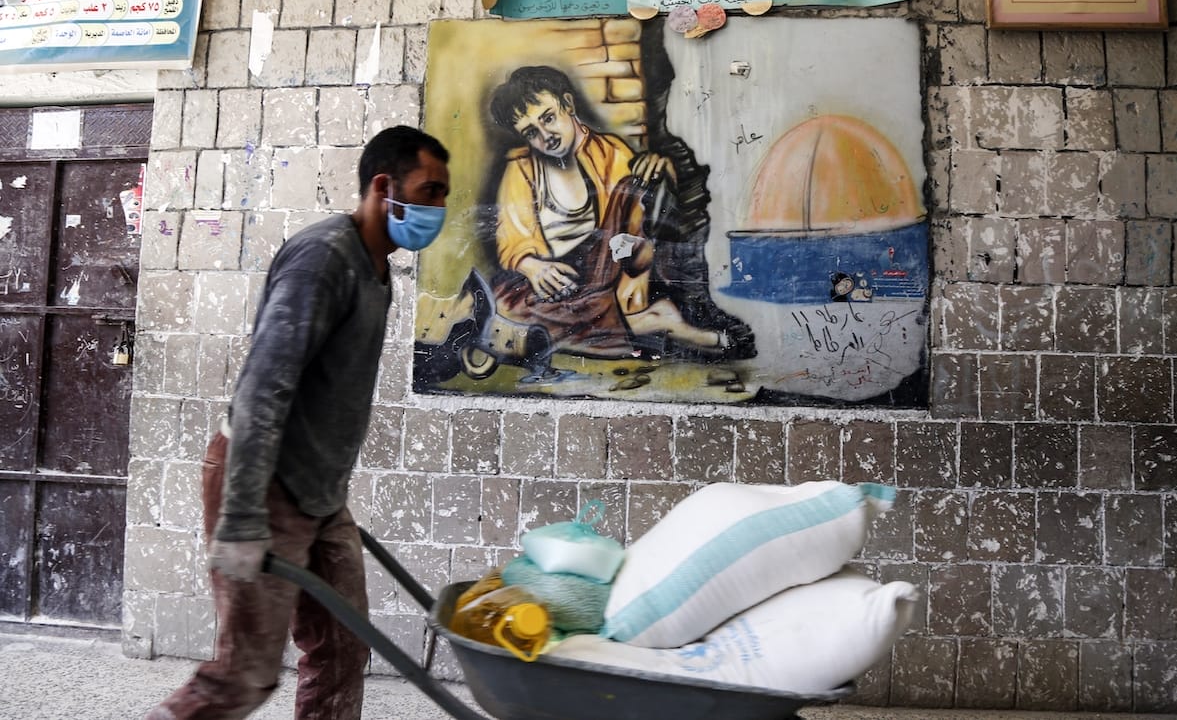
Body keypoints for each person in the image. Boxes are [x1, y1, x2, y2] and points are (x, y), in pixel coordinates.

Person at [144, 126, 451, 720]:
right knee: (243, 677)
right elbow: (264, 386)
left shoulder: (377, 267)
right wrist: (241, 518)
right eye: (429, 190)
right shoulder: (323, 258)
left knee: (342, 650)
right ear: (384, 187)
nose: (439, 207)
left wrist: (329, 491)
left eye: (444, 194)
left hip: (319, 494)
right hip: (263, 484)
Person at [487, 65, 735, 359]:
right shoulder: (521, 168)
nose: (545, 135)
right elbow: (512, 235)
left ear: (568, 104)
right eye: (531, 132)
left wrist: (635, 273)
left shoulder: (612, 152)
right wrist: (532, 266)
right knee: (503, 304)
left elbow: (635, 229)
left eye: (549, 118)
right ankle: (650, 323)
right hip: (560, 280)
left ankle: (651, 324)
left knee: (628, 196)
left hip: (608, 271)